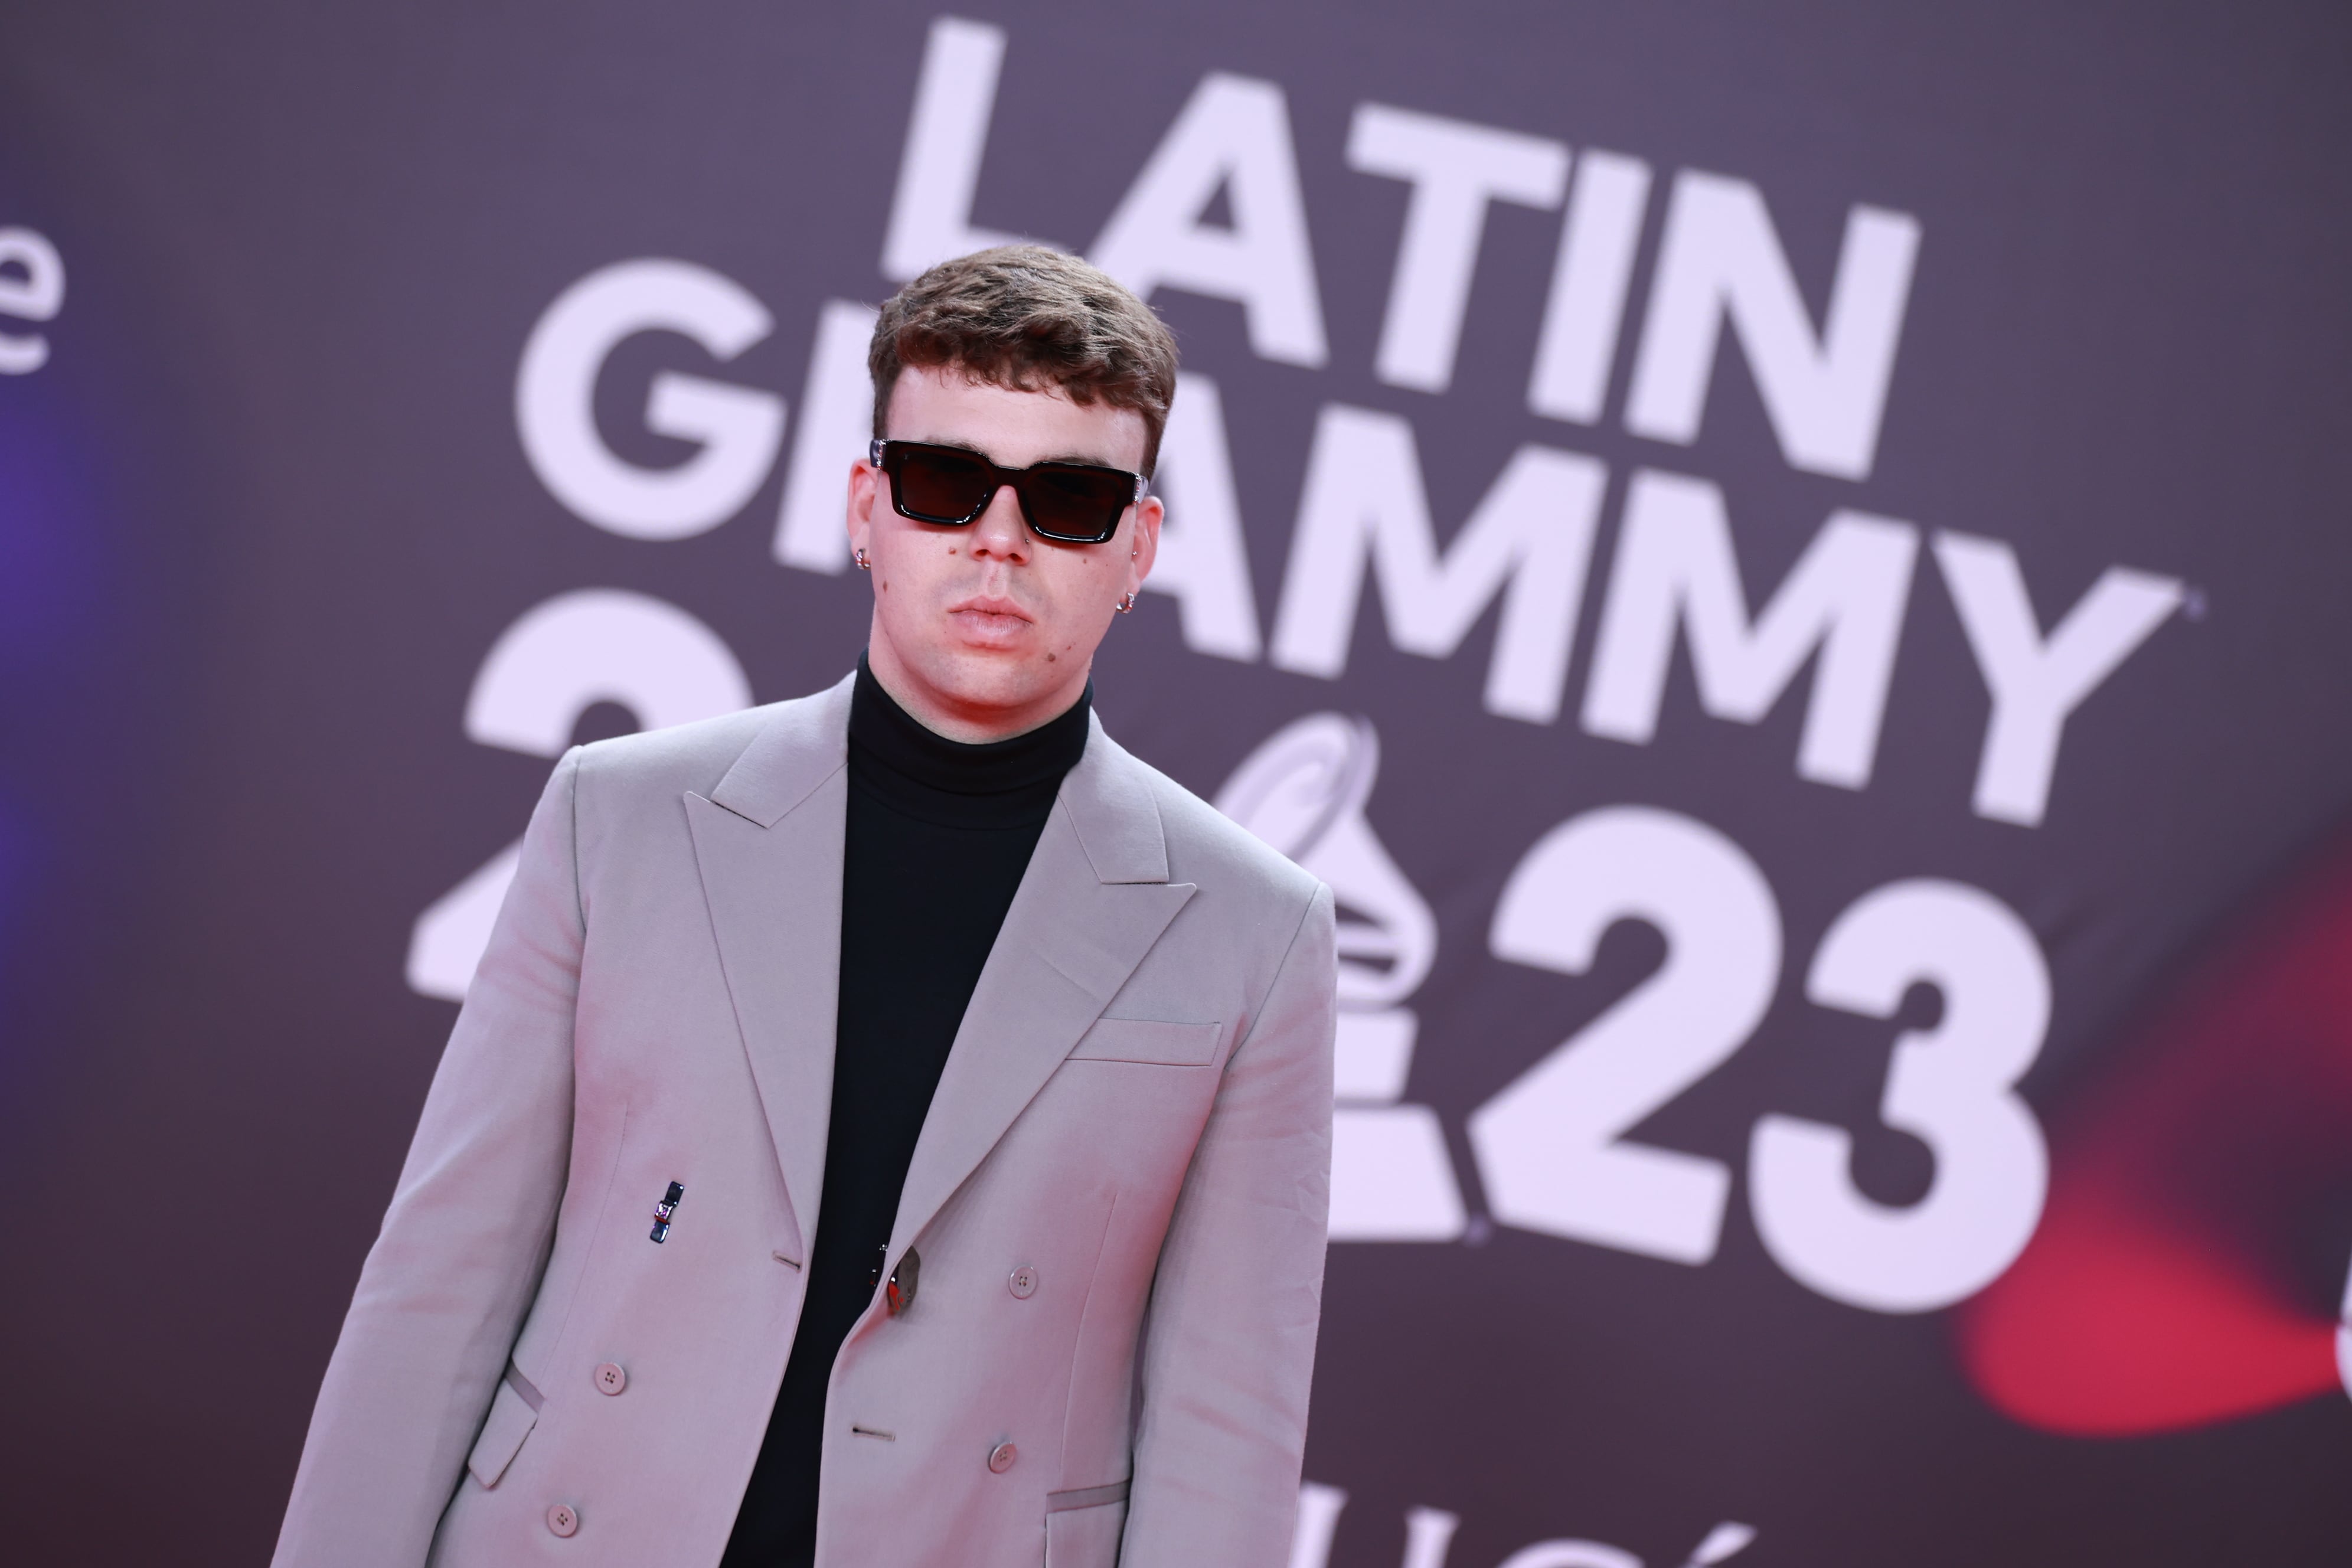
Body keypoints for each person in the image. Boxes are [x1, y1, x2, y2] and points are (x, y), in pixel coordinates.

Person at [271, 245, 1338, 1568]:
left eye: (1068, 500)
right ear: (865, 506)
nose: (998, 539)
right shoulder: (624, 817)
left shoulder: (1254, 929)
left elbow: (1226, 1429)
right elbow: (441, 1281)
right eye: (948, 482)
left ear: (1139, 548)